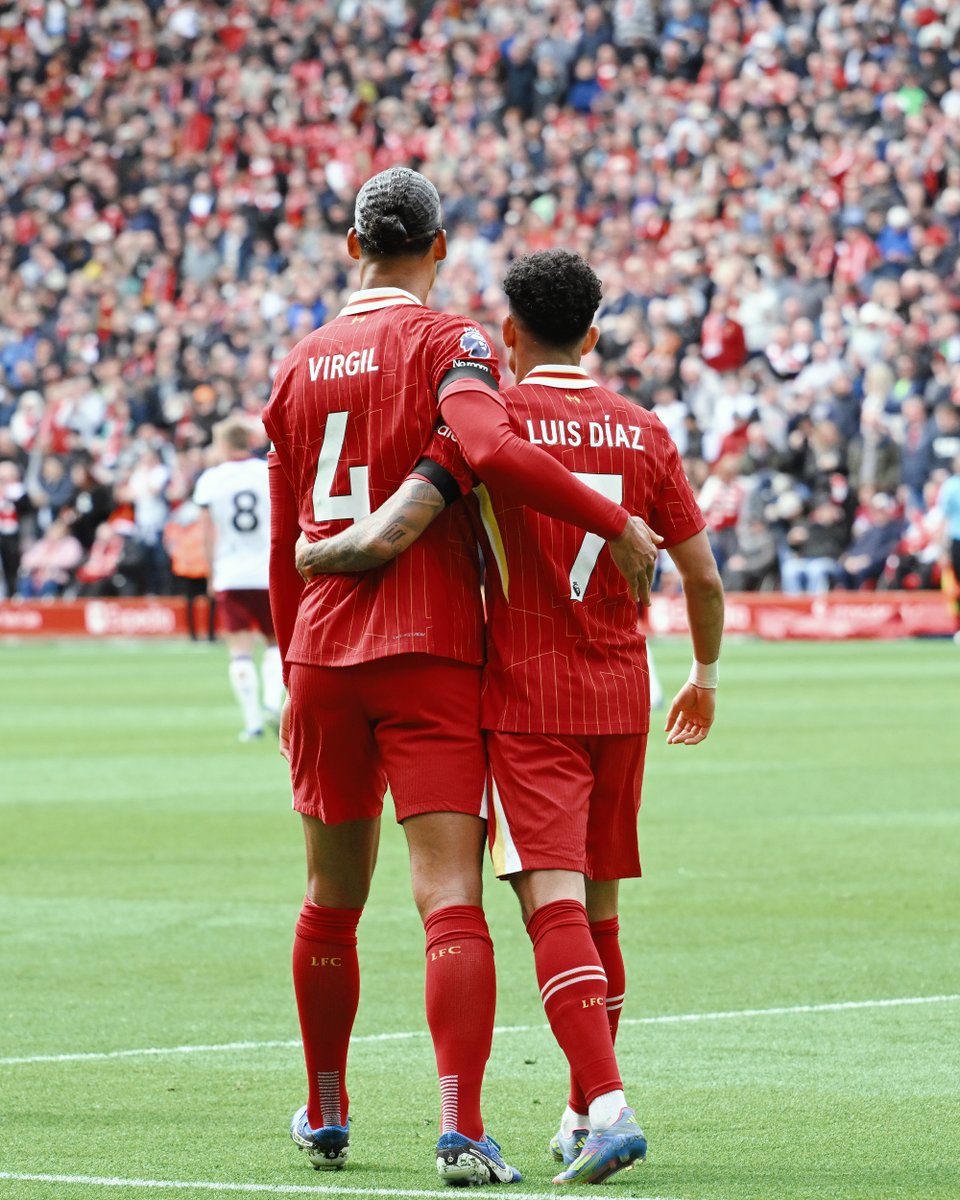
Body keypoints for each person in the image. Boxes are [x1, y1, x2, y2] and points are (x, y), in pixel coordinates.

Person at [262, 169, 659, 1186]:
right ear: (438, 249)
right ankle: (461, 1129)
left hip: (318, 651)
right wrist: (614, 522)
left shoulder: (297, 365)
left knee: (328, 899)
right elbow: (484, 441)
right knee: (449, 901)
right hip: (431, 648)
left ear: (353, 247)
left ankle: (325, 1106)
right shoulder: (455, 342)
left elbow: (280, 545)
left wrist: (289, 656)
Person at [193, 417, 282, 740]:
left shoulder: (211, 480)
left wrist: (211, 571)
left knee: (240, 649)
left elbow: (206, 533)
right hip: (267, 571)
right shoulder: (267, 471)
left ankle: (253, 722)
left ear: (225, 445)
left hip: (231, 572)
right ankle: (274, 702)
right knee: (275, 643)